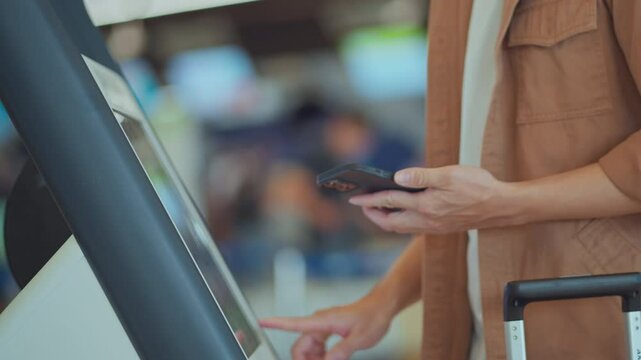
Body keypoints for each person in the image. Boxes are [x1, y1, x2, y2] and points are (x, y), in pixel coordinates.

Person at [261, 0, 641, 359]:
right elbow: (468, 215)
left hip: (607, 328)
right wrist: (381, 303)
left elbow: (487, 205)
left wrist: (504, 204)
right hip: (487, 339)